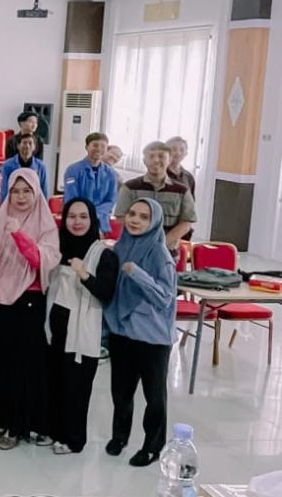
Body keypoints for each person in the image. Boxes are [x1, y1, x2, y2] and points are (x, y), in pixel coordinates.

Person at [0, 168, 60, 451]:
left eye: (27, 191)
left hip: (29, 301)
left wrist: (19, 234)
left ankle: (17, 427)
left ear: (36, 193)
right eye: (15, 191)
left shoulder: (46, 224)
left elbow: (41, 261)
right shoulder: (0, 219)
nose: (21, 197)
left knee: (22, 367)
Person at [104, 199, 177, 467]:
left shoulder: (160, 255)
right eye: (132, 214)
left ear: (154, 222)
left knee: (154, 397)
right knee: (120, 392)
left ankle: (153, 447)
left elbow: (165, 298)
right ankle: (119, 437)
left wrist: (137, 273)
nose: (135, 220)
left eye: (144, 217)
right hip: (122, 334)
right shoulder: (121, 246)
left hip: (153, 339)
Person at [46, 199, 119, 454]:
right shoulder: (58, 247)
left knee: (77, 386)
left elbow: (106, 293)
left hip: (83, 330)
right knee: (56, 381)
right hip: (56, 325)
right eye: (72, 216)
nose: (77, 222)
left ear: (92, 220)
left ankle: (74, 440)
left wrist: (84, 274)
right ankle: (54, 432)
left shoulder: (103, 254)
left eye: (83, 216)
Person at [115, 141, 197, 250]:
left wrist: (161, 244)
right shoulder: (129, 188)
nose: (156, 160)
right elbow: (121, 218)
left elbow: (186, 222)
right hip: (134, 249)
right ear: (144, 161)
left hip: (167, 251)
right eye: (151, 156)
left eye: (161, 156)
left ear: (169, 160)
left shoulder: (182, 191)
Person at [62, 132, 118, 234]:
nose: (99, 149)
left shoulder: (111, 174)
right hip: (77, 221)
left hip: (100, 222)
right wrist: (85, 215)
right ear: (87, 147)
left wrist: (95, 214)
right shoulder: (73, 170)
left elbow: (111, 200)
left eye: (103, 146)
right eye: (95, 145)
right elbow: (71, 198)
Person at [0, 133, 48, 203]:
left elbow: (44, 191)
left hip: (33, 204)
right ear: (18, 146)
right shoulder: (7, 165)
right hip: (14, 204)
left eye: (30, 143)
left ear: (34, 147)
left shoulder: (41, 166)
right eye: (24, 143)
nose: (27, 146)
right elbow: (4, 190)